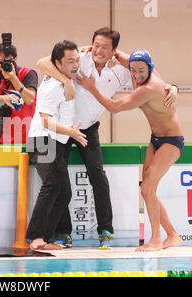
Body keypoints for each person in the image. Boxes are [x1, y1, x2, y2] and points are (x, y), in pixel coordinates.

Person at [36, 27, 178, 249]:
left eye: (105, 47)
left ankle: (105, 231)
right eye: (96, 45)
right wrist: (64, 81)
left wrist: (171, 86)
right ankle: (63, 232)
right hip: (63, 127)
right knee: (61, 182)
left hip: (89, 128)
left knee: (99, 178)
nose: (99, 50)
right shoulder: (80, 58)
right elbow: (43, 62)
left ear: (114, 51)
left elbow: (146, 70)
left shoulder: (121, 72)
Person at [77, 49, 183, 252]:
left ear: (151, 68)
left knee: (147, 189)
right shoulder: (137, 67)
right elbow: (114, 52)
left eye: (140, 70)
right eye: (132, 70)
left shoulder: (149, 87)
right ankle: (172, 235)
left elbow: (115, 107)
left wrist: (92, 88)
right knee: (147, 188)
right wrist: (92, 49)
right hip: (156, 139)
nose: (135, 74)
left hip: (172, 140)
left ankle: (156, 240)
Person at [26, 40, 88, 251]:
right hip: (42, 140)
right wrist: (71, 132)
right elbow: (46, 120)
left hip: (57, 142)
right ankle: (36, 238)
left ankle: (44, 237)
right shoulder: (53, 86)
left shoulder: (63, 78)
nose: (76, 65)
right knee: (52, 186)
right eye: (70, 61)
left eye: (77, 60)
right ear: (57, 64)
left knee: (63, 193)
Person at [0, 42, 38, 144]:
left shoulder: (27, 73)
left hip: (25, 138)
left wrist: (13, 78)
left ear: (15, 58)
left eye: (8, 61)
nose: (4, 65)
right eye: (0, 61)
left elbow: (29, 99)